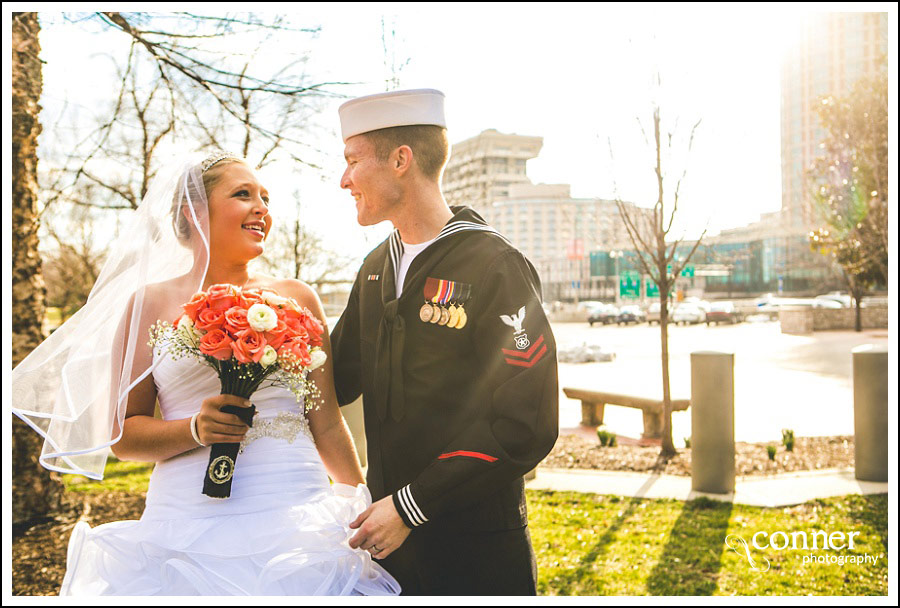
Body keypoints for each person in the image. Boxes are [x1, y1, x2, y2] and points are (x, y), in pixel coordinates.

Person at [11, 151, 400, 596]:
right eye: (243, 194)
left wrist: (361, 503)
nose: (262, 209)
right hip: (187, 525)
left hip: (298, 517)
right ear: (194, 212)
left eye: (266, 199)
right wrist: (195, 429)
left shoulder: (298, 298)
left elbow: (327, 421)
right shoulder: (148, 304)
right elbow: (125, 436)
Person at [329, 89, 559, 595]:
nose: (344, 179)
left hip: (475, 550)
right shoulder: (374, 270)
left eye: (352, 161)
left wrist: (412, 506)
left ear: (400, 160)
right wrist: (250, 347)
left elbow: (526, 423)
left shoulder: (494, 266)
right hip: (388, 552)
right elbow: (332, 379)